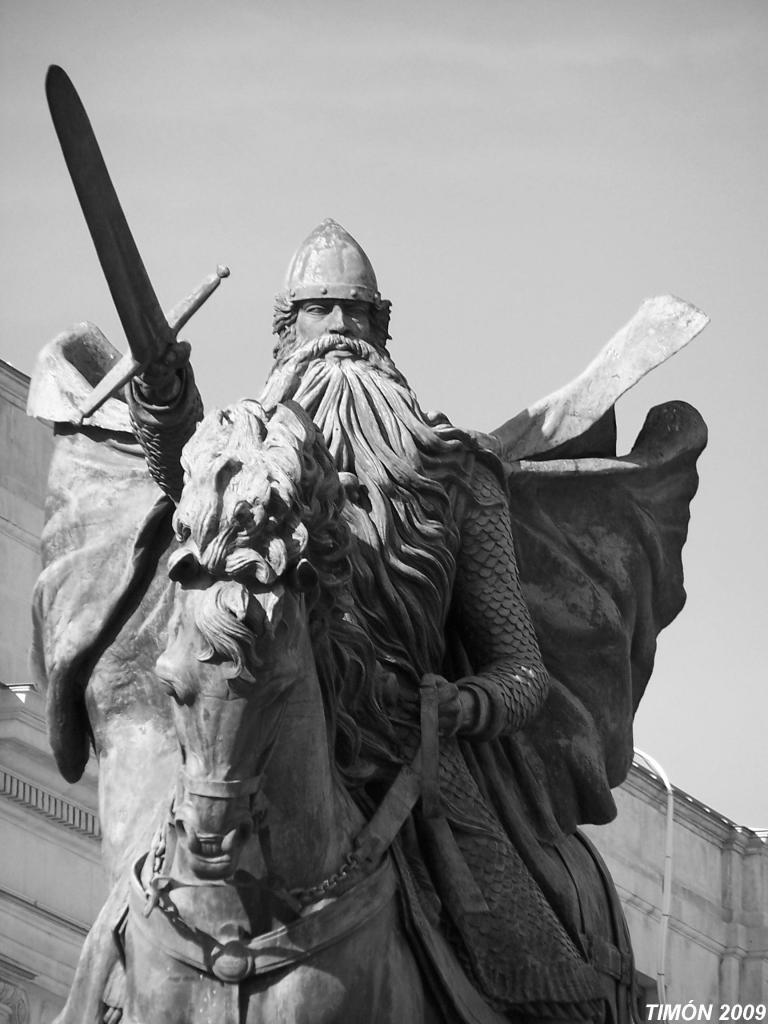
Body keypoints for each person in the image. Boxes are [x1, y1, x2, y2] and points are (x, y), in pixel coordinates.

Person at [125, 220, 633, 1019]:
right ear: (285, 334)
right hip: (251, 729)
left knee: (552, 975)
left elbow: (522, 672)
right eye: (320, 315)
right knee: (131, 914)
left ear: (384, 333)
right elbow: (185, 473)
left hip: (416, 756)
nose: (339, 336)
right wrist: (160, 397)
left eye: (354, 318)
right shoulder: (250, 456)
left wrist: (461, 704)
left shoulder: (458, 472)